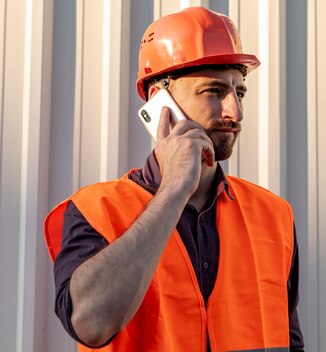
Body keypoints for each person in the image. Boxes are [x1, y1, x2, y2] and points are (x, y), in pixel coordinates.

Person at [44, 7, 304, 352]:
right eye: (214, 91)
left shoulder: (274, 215)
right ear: (159, 102)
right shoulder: (96, 210)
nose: (235, 112)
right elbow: (90, 325)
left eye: (239, 92)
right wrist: (174, 191)